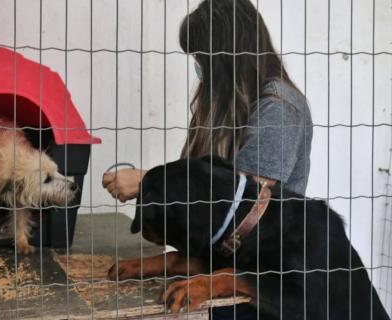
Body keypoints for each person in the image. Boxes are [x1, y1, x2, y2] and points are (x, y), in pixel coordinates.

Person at [102, 0, 312, 318]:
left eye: (201, 55)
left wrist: (149, 181)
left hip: (258, 282)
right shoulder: (226, 103)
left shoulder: (278, 109)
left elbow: (243, 203)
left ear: (226, 54)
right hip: (222, 263)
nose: (199, 65)